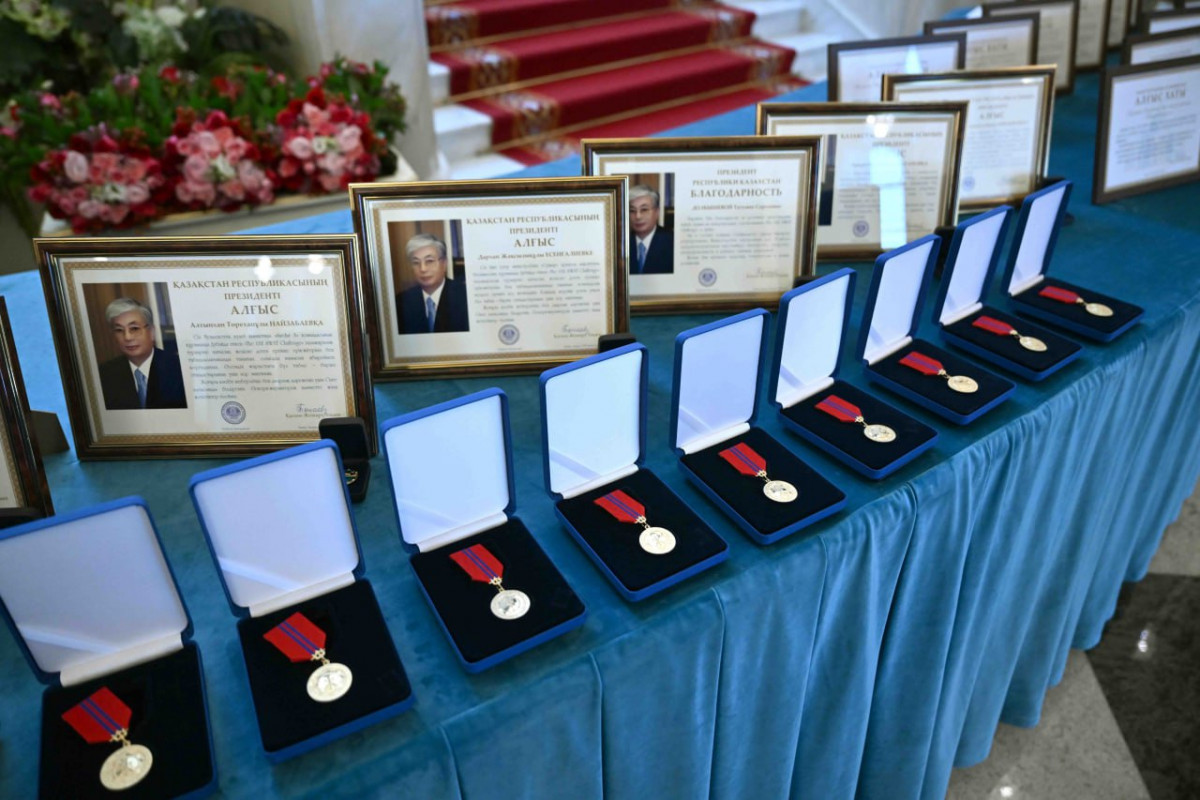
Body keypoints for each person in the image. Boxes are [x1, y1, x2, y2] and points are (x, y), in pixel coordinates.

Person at [97, 297, 187, 410]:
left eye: (134, 328)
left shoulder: (179, 368)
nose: (127, 337)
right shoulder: (104, 374)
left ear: (152, 332)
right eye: (119, 330)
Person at [396, 232, 470, 334]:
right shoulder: (401, 302)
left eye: (429, 261)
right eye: (416, 263)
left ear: (444, 263)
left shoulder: (465, 297)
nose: (423, 269)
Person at [628, 184, 674, 274]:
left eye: (644, 210)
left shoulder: (672, 242)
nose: (638, 216)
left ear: (657, 212)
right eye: (632, 210)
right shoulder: (621, 244)